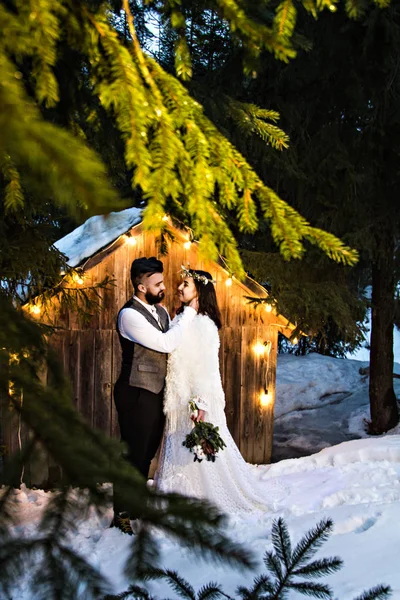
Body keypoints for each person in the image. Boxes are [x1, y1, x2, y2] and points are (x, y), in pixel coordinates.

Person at [155, 268, 285, 515]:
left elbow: (205, 368)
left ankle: (201, 497)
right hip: (180, 395)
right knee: (182, 450)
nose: (179, 288)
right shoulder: (184, 319)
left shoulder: (202, 324)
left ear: (199, 291)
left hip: (194, 400)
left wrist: (199, 403)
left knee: (198, 451)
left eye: (186, 284)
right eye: (181, 283)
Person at [112, 257, 198, 534]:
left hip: (157, 392)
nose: (163, 287)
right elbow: (165, 343)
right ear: (140, 286)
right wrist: (188, 314)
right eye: (157, 283)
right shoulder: (129, 315)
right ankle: (121, 513)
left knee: (147, 452)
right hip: (135, 391)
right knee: (132, 453)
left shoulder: (160, 311)